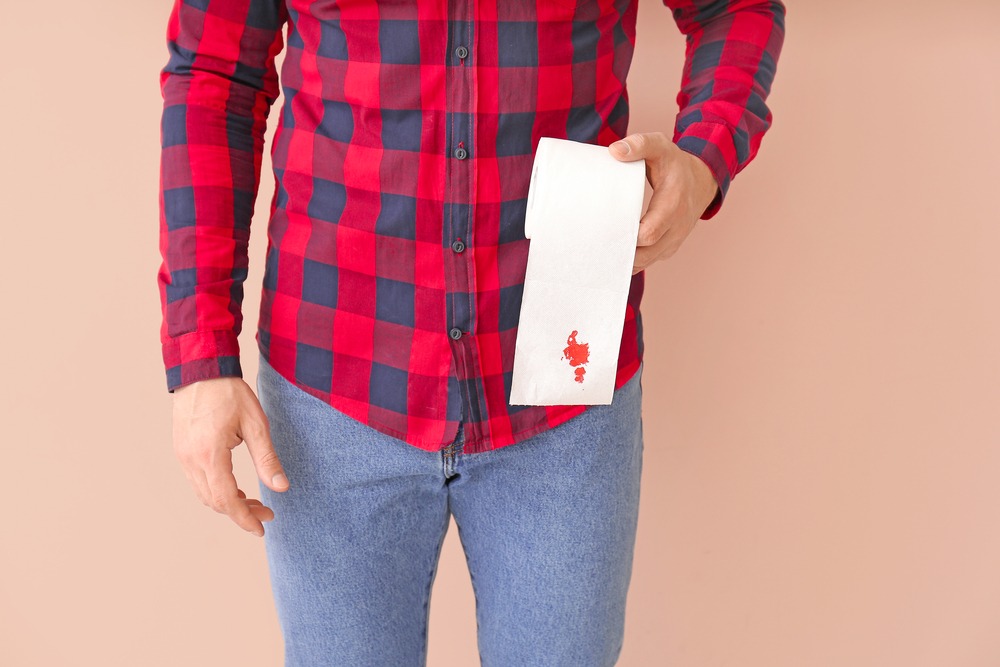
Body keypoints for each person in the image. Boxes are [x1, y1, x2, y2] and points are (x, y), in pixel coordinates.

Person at [157, 0, 785, 664]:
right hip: (334, 384)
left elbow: (737, 9)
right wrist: (200, 353)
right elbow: (214, 72)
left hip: (567, 393)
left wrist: (704, 157)